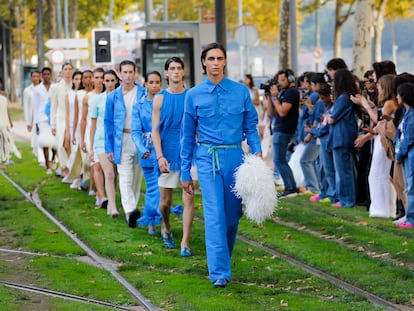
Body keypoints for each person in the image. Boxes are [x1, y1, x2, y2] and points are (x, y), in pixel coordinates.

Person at [181, 42, 262, 287]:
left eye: (219, 58)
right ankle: (219, 273)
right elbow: (187, 136)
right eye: (211, 58)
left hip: (235, 158)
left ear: (225, 62)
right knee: (214, 214)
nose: (215, 62)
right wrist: (185, 171)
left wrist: (256, 152)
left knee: (232, 216)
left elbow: (251, 126)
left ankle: (222, 259)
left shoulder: (240, 92)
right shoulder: (193, 95)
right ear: (204, 63)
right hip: (207, 158)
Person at [152, 57, 194, 255]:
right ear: (166, 73)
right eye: (172, 69)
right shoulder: (159, 98)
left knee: (189, 198)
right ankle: (166, 226)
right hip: (167, 154)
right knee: (165, 203)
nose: (176, 72)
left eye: (179, 68)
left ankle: (185, 243)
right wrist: (160, 156)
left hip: (188, 154)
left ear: (183, 72)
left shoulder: (191, 96)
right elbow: (155, 131)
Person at [105, 60, 145, 227]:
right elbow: (107, 123)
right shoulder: (113, 96)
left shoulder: (144, 93)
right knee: (125, 177)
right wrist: (109, 148)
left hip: (141, 140)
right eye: (125, 72)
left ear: (135, 73)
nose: (128, 75)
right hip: (121, 140)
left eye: (131, 72)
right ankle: (130, 211)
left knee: (136, 177)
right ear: (119, 74)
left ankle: (133, 209)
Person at [131, 71, 162, 234]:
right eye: (151, 82)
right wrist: (142, 149)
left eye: (157, 82)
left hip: (164, 151)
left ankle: (162, 220)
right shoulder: (138, 105)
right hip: (147, 152)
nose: (154, 85)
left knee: (163, 187)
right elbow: (135, 131)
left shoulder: (166, 102)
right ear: (146, 85)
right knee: (152, 187)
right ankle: (151, 221)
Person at [90, 69, 120, 216]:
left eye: (111, 80)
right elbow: (93, 124)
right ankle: (112, 206)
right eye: (106, 80)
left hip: (118, 140)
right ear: (103, 82)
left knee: (115, 173)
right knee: (108, 172)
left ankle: (112, 202)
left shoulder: (121, 98)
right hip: (101, 141)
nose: (109, 83)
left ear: (116, 81)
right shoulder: (96, 99)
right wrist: (90, 148)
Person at [267, 69, 300, 197]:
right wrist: (270, 96)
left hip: (284, 130)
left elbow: (282, 112)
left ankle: (291, 187)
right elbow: (271, 113)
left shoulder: (291, 92)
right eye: (279, 80)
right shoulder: (283, 92)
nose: (280, 83)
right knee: (279, 159)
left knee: (279, 159)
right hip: (278, 129)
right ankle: (290, 187)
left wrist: (275, 97)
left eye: (282, 80)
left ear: (291, 79)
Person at [327, 68, 358, 208]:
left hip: (341, 137)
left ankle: (347, 199)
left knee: (343, 171)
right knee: (344, 169)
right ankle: (345, 198)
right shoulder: (345, 97)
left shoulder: (343, 98)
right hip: (342, 136)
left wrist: (328, 117)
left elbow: (332, 118)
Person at [394, 82, 414, 229]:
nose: (396, 97)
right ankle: (409, 216)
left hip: (410, 154)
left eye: (398, 94)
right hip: (405, 154)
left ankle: (411, 218)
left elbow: (409, 138)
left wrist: (400, 153)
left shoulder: (412, 115)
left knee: (411, 186)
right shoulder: (406, 113)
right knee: (408, 185)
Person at [50, 62, 73, 178]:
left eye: (70, 69)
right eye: (66, 69)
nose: (68, 71)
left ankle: (73, 169)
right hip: (60, 118)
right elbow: (53, 106)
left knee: (71, 144)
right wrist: (52, 125)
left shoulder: (76, 85)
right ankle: (65, 167)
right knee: (61, 144)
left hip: (73, 118)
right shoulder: (56, 87)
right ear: (62, 71)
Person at [32, 67, 58, 174]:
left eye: (48, 74)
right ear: (42, 76)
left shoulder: (55, 87)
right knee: (45, 141)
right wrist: (36, 124)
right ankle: (47, 165)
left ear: (51, 75)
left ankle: (53, 159)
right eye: (44, 74)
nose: (46, 76)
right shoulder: (37, 89)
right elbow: (36, 106)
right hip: (42, 118)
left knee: (55, 141)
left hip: (54, 117)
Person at [23, 70, 44, 166]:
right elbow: (26, 107)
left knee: (44, 137)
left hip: (43, 117)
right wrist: (28, 122)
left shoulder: (44, 88)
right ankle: (40, 158)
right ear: (31, 78)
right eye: (33, 76)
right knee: (36, 138)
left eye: (37, 76)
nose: (35, 78)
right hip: (33, 118)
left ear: (40, 77)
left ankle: (44, 159)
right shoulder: (27, 91)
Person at [0, 78, 21, 165]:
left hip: (4, 120)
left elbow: (6, 108)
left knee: (6, 139)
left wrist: (10, 120)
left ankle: (6, 157)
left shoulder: (4, 94)